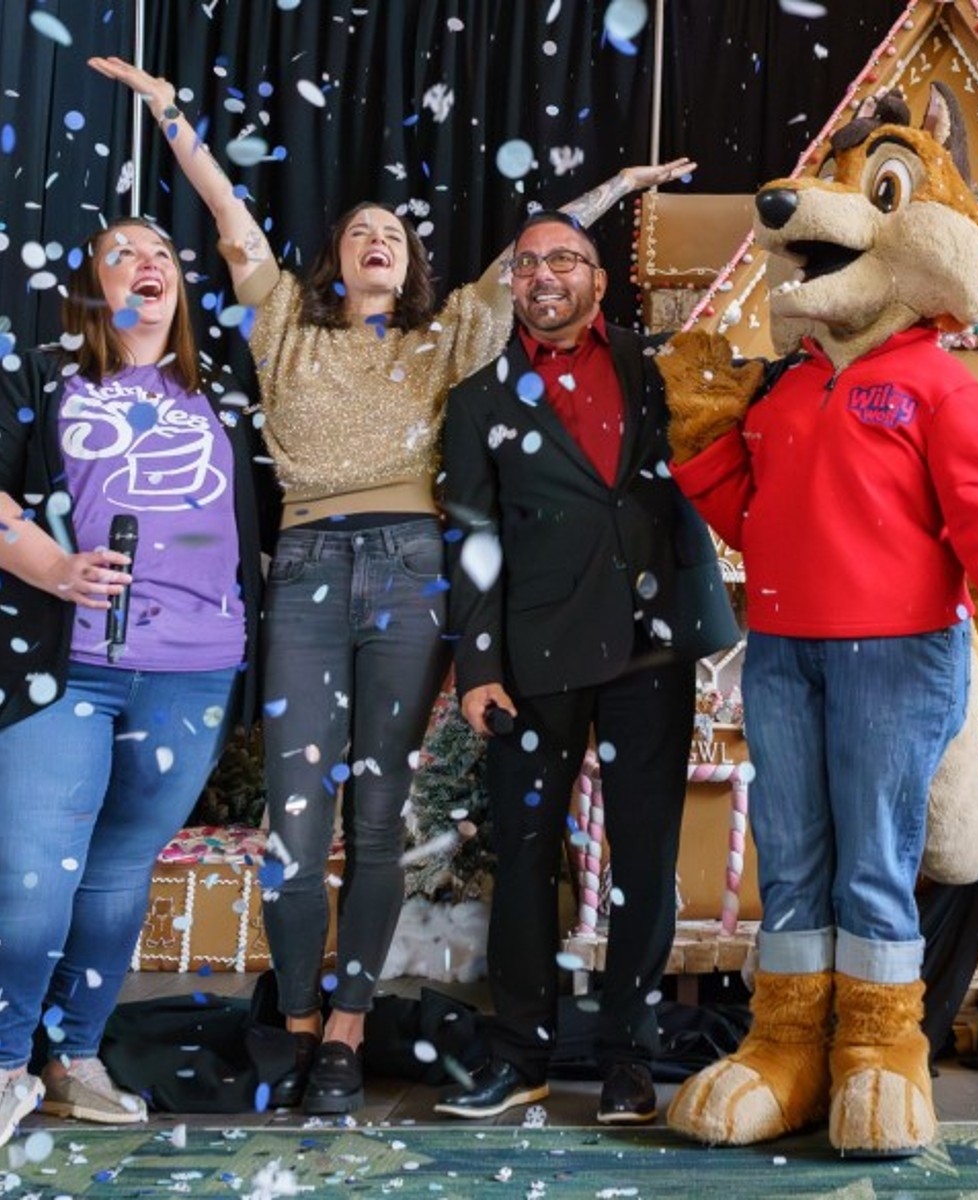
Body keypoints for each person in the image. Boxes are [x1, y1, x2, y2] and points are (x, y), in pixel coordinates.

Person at [90, 54, 693, 1116]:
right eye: (362, 228)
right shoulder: (281, 317)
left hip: (412, 575)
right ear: (335, 254)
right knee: (293, 819)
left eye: (397, 233)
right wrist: (171, 116)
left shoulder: (449, 335)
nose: (380, 238)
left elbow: (535, 257)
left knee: (375, 817)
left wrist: (614, 194)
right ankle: (292, 1028)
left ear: (411, 263)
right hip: (312, 572)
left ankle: (348, 1030)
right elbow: (230, 217)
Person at [434, 211, 739, 1124]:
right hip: (534, 657)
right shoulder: (479, 402)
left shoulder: (660, 367)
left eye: (562, 258)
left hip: (651, 641)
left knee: (643, 858)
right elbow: (473, 541)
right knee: (525, 857)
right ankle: (521, 1053)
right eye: (527, 263)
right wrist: (477, 662)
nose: (542, 275)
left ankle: (629, 1060)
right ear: (514, 285)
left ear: (599, 281)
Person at [0, 216, 264, 1148]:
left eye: (162, 256)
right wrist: (50, 568)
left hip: (195, 671)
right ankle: (3, 1067)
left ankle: (75, 1062)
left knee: (115, 876)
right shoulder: (41, 378)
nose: (148, 266)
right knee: (35, 876)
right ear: (89, 285)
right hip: (66, 665)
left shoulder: (221, 395)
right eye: (124, 253)